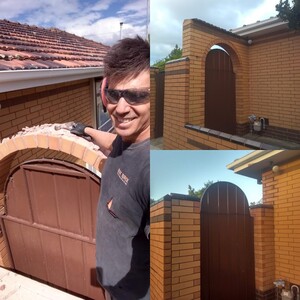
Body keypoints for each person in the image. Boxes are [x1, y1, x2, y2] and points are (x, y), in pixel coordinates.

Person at [71, 36, 150, 300]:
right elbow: (113, 142)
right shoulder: (126, 139)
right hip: (113, 286)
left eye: (137, 96)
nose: (121, 108)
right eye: (115, 94)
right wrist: (87, 130)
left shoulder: (151, 169)